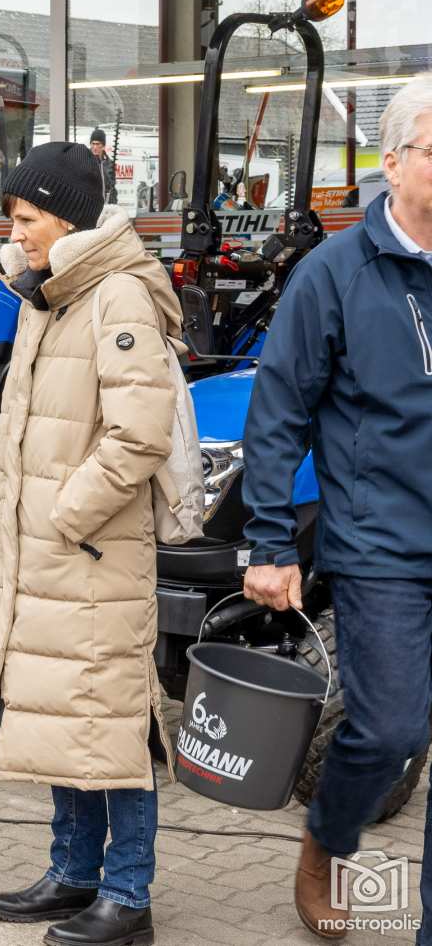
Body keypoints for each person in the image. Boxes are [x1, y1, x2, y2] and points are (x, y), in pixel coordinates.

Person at [0, 142, 179, 946]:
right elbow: (21, 418)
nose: (15, 233)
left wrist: (65, 515)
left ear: (67, 219)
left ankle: (127, 896)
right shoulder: (50, 294)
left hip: (91, 552)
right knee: (64, 710)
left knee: (111, 719)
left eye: (27, 217)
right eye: (13, 218)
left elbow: (139, 435)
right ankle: (73, 872)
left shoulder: (116, 294)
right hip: (47, 550)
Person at [240, 74, 432, 943]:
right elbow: (278, 411)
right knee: (390, 730)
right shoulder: (335, 273)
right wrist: (269, 541)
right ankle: (326, 840)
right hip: (381, 545)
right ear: (391, 163)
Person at [89, 128, 118, 205]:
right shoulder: (84, 160)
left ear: (103, 146)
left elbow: (112, 188)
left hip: (105, 206)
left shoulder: (109, 164)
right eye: (93, 144)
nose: (95, 147)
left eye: (98, 144)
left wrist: (113, 204)